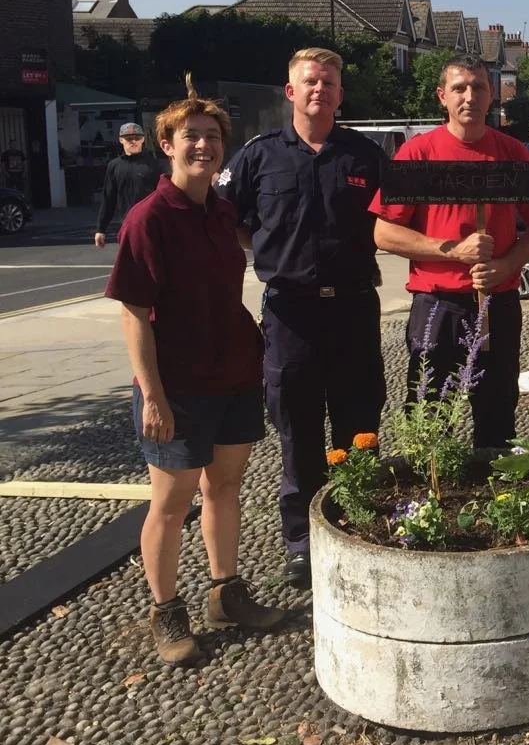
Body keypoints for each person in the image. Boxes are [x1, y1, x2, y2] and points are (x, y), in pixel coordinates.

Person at [105, 76, 286, 666]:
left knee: (225, 486)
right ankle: (165, 609)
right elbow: (135, 315)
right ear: (167, 144)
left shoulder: (220, 211)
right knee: (171, 501)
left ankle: (225, 591)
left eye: (212, 137)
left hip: (232, 372)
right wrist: (151, 395)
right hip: (176, 385)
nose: (203, 146)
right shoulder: (148, 218)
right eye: (191, 137)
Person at [217, 47, 387, 589]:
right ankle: (302, 544)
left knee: (359, 424)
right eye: (310, 81)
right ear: (291, 92)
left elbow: (396, 220)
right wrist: (270, 251)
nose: (320, 90)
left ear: (340, 94)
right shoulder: (258, 156)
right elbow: (228, 219)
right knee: (297, 429)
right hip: (291, 311)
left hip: (355, 307)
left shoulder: (364, 156)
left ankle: (358, 524)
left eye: (330, 82)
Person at [371, 55, 529, 449]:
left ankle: (495, 502)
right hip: (437, 306)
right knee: (430, 417)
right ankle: (432, 502)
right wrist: (454, 251)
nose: (470, 96)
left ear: (491, 96)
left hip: (497, 305)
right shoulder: (417, 155)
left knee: (498, 412)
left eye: (479, 87)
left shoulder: (513, 153)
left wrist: (506, 265)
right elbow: (384, 233)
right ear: (442, 96)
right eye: (459, 88)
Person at [95, 122, 165, 247]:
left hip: (151, 223)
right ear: (121, 140)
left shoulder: (154, 164)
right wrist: (101, 229)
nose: (133, 141)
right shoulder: (114, 166)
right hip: (126, 223)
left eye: (137, 138)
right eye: (128, 138)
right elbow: (108, 198)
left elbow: (164, 195)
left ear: (143, 139)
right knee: (129, 261)